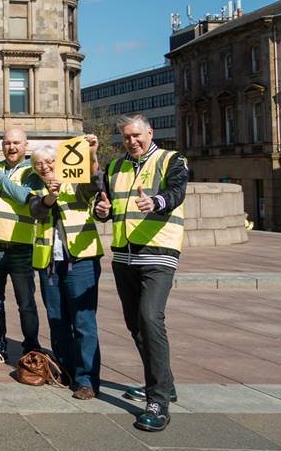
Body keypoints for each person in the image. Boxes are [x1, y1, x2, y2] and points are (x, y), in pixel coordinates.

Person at [95, 114, 188, 432]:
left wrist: (158, 201)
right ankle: (166, 384)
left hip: (159, 253)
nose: (131, 141)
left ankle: (158, 401)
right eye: (125, 137)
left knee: (150, 318)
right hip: (124, 255)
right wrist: (101, 210)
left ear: (150, 132)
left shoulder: (171, 159)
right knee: (136, 326)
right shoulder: (115, 167)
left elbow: (177, 191)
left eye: (136, 135)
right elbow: (104, 202)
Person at [28, 138, 103, 400]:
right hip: (49, 263)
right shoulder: (35, 186)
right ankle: (66, 370)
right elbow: (36, 211)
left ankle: (87, 380)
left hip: (80, 260)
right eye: (39, 164)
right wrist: (49, 197)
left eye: (49, 162)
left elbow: (94, 185)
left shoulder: (75, 180)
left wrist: (92, 156)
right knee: (57, 320)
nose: (45, 167)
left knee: (83, 321)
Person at [0, 128, 41, 366]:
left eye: (16, 143)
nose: (11, 147)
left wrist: (0, 175)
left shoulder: (32, 170)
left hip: (20, 245)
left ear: (26, 146)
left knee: (26, 302)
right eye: (6, 143)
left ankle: (31, 348)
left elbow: (25, 197)